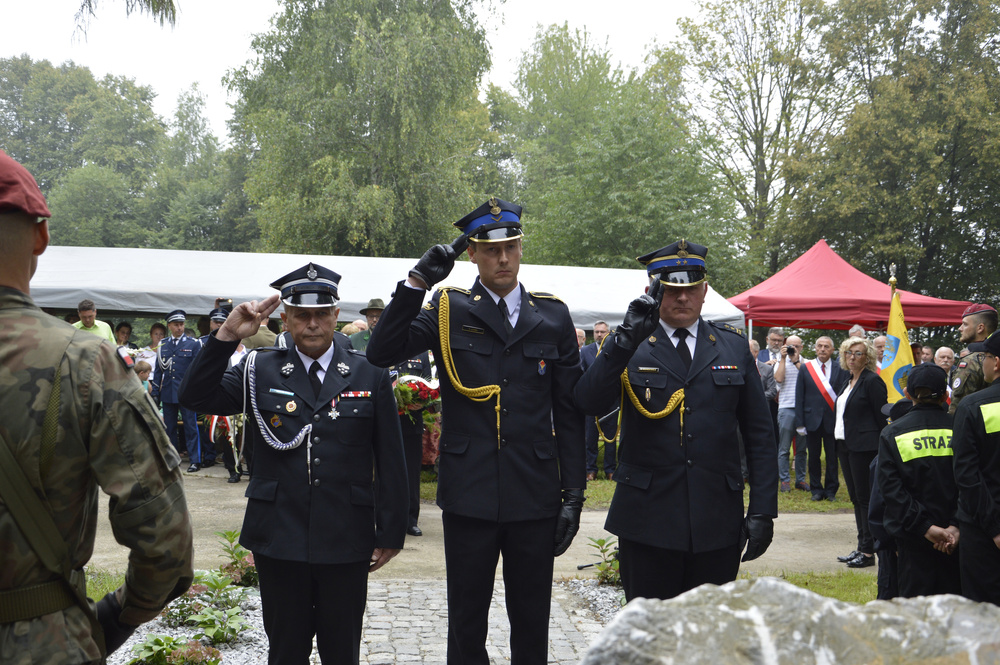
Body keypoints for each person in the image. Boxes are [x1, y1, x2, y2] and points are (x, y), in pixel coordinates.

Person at [365, 197, 585, 665]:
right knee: (467, 619)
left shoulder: (553, 316)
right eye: (490, 250)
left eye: (510, 247)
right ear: (472, 255)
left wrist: (573, 495)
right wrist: (416, 283)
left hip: (534, 490)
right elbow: (381, 352)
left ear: (521, 247)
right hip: (471, 491)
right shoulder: (448, 309)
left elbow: (568, 414)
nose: (502, 258)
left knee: (532, 618)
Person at [0, 149, 193, 662]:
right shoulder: (84, 362)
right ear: (41, 236)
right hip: (40, 642)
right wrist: (115, 618)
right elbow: (165, 547)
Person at [179, 262, 407, 664]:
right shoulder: (257, 367)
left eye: (322, 314)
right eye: (302, 315)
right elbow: (195, 396)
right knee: (286, 649)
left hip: (346, 535)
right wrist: (227, 336)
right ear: (285, 318)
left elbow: (390, 456)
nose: (313, 324)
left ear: (337, 315)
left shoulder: (368, 372)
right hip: (279, 535)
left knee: (342, 651)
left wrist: (391, 530)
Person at [574, 240, 777, 603]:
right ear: (651, 291)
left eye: (690, 288)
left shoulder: (731, 347)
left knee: (708, 638)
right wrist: (625, 339)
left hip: (717, 520)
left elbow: (760, 435)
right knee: (651, 639)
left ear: (705, 291)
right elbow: (587, 400)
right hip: (646, 520)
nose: (682, 298)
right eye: (671, 288)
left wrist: (762, 509)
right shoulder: (630, 344)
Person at [877, 363, 960, 597]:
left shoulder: (892, 433)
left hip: (913, 540)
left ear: (907, 394)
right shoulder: (961, 427)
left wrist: (925, 528)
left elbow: (892, 491)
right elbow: (970, 481)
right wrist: (956, 525)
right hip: (958, 539)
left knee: (916, 617)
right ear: (945, 395)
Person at [953, 329, 1000, 605]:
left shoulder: (972, 405)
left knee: (981, 614)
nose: (981, 361)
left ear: (996, 362)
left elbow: (967, 475)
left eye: (986, 356)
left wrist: (994, 528)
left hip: (982, 530)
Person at [834, 336, 888, 568]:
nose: (852, 357)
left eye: (858, 353)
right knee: (856, 498)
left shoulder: (872, 381)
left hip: (865, 447)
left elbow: (881, 418)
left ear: (868, 358)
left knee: (865, 499)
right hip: (845, 445)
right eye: (849, 352)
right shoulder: (847, 381)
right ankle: (861, 546)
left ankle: (868, 552)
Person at [795, 336, 848, 500]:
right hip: (812, 421)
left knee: (833, 458)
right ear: (815, 348)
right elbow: (799, 397)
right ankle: (816, 490)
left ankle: (831, 490)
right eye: (820, 346)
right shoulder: (806, 368)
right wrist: (800, 423)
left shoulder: (842, 368)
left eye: (826, 346)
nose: (823, 349)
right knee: (814, 457)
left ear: (833, 350)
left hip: (833, 421)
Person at [151, 309, 204, 472]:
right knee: (170, 428)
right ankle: (173, 458)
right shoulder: (163, 345)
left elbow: (197, 370)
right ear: (170, 326)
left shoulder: (193, 344)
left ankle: (195, 460)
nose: (180, 328)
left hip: (186, 393)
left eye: (181, 324)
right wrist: (155, 392)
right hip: (168, 392)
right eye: (176, 325)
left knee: (190, 426)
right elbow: (159, 370)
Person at [774, 335, 809, 491]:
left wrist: (795, 361)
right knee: (784, 448)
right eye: (789, 345)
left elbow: (808, 378)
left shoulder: (807, 363)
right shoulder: (780, 361)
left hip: (803, 410)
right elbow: (779, 379)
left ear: (801, 348)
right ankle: (785, 481)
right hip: (786, 408)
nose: (792, 349)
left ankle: (800, 480)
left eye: (796, 346)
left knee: (801, 449)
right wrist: (783, 359)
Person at [581, 320, 614, 480]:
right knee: (591, 438)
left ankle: (610, 470)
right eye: (596, 332)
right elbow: (580, 373)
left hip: (611, 402)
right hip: (591, 402)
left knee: (611, 438)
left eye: (602, 331)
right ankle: (591, 470)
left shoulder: (614, 349)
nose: (599, 334)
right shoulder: (586, 351)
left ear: (608, 332)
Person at [950, 303, 998, 414]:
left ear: (980, 328)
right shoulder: (995, 356)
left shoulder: (970, 361)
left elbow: (957, 409)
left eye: (965, 324)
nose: (960, 329)